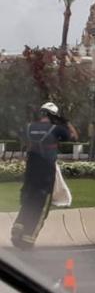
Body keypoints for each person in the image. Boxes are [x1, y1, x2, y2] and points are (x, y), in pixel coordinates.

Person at [10, 103, 77, 250]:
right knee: (41, 205)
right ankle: (28, 239)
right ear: (54, 116)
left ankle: (18, 226)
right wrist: (65, 122)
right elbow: (73, 137)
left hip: (31, 169)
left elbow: (22, 139)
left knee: (28, 199)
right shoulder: (57, 128)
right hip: (46, 171)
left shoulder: (29, 127)